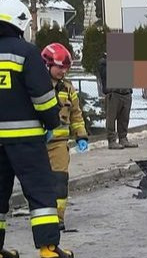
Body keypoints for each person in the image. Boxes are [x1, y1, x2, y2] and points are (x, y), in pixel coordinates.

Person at [0, 0, 74, 258]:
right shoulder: (24, 51)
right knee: (40, 191)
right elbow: (43, 97)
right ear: (20, 22)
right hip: (25, 141)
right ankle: (48, 249)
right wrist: (51, 122)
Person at [40, 44, 88, 232]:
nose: (63, 71)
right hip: (37, 142)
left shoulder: (67, 88)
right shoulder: (36, 86)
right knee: (39, 183)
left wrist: (81, 135)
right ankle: (42, 216)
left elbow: (76, 114)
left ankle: (58, 218)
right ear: (47, 64)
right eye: (59, 66)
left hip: (58, 144)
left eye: (66, 67)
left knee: (60, 181)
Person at [97, 52, 135, 150]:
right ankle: (111, 140)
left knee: (124, 118)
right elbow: (105, 74)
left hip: (126, 92)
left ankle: (123, 138)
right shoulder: (104, 62)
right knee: (111, 118)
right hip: (113, 93)